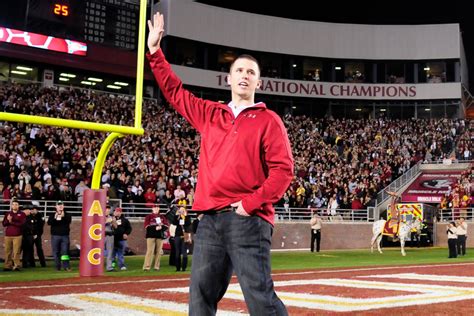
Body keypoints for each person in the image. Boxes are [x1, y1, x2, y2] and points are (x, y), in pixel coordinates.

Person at [147, 12, 294, 315]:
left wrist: (250, 204)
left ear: (258, 81)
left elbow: (283, 171)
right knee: (200, 297)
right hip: (210, 221)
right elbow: (175, 92)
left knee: (260, 298)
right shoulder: (210, 113)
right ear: (228, 78)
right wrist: (154, 52)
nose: (244, 75)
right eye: (239, 70)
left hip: (248, 220)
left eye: (250, 72)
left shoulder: (269, 120)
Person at [2, 197, 26, 271]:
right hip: (8, 235)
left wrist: (11, 221)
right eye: (13, 204)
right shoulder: (8, 213)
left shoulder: (22, 214)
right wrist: (8, 220)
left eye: (16, 204)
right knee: (7, 251)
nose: (15, 206)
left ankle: (16, 266)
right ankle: (7, 266)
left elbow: (22, 224)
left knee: (16, 252)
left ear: (18, 206)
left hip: (17, 235)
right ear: (11, 206)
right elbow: (4, 224)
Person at [47, 200, 72, 271]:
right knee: (56, 252)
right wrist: (55, 217)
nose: (60, 206)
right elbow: (49, 223)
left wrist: (63, 217)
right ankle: (57, 266)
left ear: (64, 206)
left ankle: (66, 266)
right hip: (55, 236)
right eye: (58, 205)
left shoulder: (67, 214)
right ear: (56, 206)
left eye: (61, 204)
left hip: (65, 236)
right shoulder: (52, 215)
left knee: (65, 252)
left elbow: (68, 221)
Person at [143, 204, 169, 271]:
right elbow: (146, 226)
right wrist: (155, 228)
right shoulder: (149, 216)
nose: (156, 209)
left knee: (159, 252)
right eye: (155, 208)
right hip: (151, 236)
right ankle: (147, 267)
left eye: (157, 208)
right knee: (150, 251)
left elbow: (166, 226)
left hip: (159, 236)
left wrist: (161, 227)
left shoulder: (162, 217)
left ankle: (156, 267)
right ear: (152, 209)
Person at [172, 206, 192, 272]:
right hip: (177, 235)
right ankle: (177, 268)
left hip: (185, 236)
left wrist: (185, 216)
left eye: (183, 210)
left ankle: (184, 268)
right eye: (180, 210)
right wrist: (177, 215)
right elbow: (174, 223)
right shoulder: (178, 217)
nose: (182, 211)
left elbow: (188, 223)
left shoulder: (188, 217)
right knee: (177, 252)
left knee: (184, 252)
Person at [30, 202, 46, 267]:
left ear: (37, 210)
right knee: (31, 249)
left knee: (39, 249)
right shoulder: (29, 216)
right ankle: (32, 264)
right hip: (30, 235)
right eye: (32, 209)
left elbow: (40, 226)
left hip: (38, 235)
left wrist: (37, 234)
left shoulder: (40, 216)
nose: (33, 210)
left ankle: (43, 263)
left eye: (34, 209)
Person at [104, 205, 117, 272]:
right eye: (107, 210)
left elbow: (115, 227)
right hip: (102, 235)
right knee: (98, 251)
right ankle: (97, 267)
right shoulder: (99, 216)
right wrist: (106, 221)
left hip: (110, 235)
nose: (108, 211)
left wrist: (113, 221)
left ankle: (109, 267)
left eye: (109, 210)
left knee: (110, 252)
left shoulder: (110, 217)